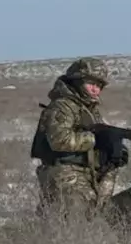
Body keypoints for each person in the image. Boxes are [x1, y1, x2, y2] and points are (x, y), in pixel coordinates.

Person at [29, 57, 123, 213]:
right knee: (72, 223)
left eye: (99, 86)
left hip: (86, 174)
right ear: (77, 82)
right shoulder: (62, 106)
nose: (95, 90)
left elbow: (99, 137)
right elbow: (60, 140)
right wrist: (95, 140)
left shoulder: (89, 109)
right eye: (91, 84)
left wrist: (113, 152)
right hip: (64, 175)